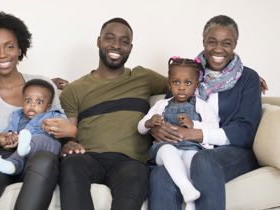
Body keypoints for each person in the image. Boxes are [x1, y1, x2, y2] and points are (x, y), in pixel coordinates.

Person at [46, 17, 168, 210]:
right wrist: (67, 143)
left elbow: (183, 83)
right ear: (99, 41)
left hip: (130, 161)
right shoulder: (75, 89)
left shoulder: (143, 77)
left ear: (130, 47)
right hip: (88, 157)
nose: (117, 45)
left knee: (136, 175)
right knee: (71, 165)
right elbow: (70, 129)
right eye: (109, 38)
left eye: (124, 41)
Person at [148, 15, 262, 210]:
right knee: (161, 172)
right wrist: (156, 129)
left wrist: (199, 134)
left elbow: (246, 130)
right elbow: (168, 106)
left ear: (235, 44)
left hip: (232, 151)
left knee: (202, 160)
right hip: (188, 148)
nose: (218, 49)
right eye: (212, 41)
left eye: (226, 43)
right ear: (203, 41)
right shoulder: (188, 74)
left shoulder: (248, 78)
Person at [0, 12, 62, 210]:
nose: (2, 55)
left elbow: (61, 125)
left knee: (45, 160)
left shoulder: (44, 85)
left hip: (37, 158)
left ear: (20, 48)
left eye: (9, 46)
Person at [138, 57, 219, 210]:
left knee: (194, 160)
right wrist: (150, 122)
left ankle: (190, 201)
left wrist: (193, 124)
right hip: (165, 150)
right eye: (176, 82)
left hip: (190, 149)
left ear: (196, 85)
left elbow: (214, 127)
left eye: (187, 83)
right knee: (167, 149)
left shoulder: (201, 105)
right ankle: (186, 188)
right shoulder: (161, 105)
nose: (181, 87)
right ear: (169, 84)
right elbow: (140, 128)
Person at [0, 79, 67, 175]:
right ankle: (12, 165)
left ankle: (27, 147)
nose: (32, 105)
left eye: (39, 102)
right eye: (28, 101)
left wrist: (56, 126)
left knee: (40, 138)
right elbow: (10, 129)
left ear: (48, 107)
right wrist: (11, 136)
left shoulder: (53, 114)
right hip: (22, 150)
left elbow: (65, 125)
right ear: (22, 102)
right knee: (20, 152)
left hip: (47, 148)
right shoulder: (17, 116)